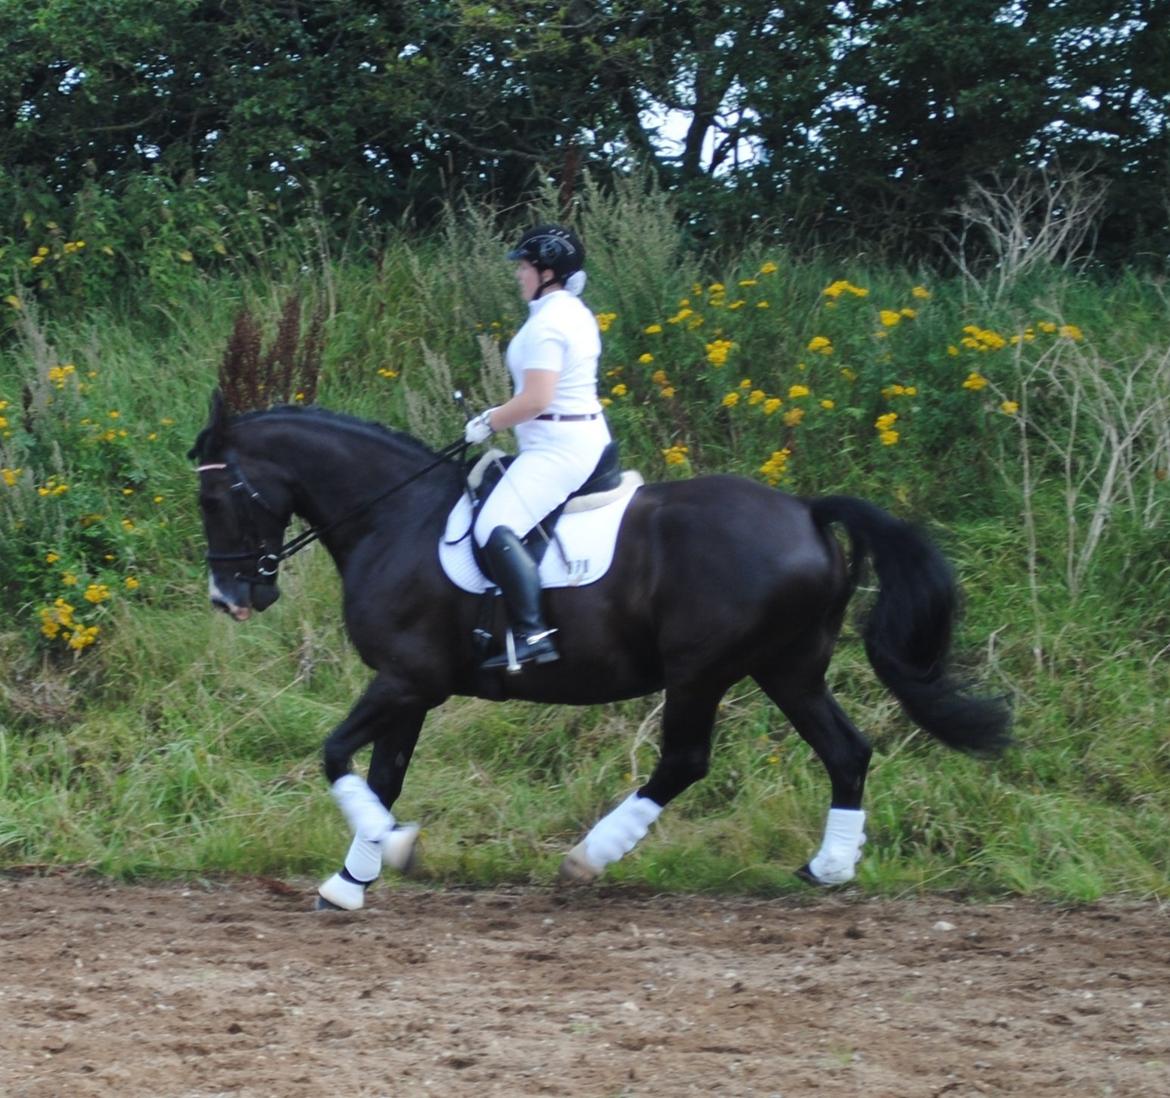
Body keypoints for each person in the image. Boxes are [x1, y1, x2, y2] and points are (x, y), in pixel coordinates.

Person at [464, 223, 612, 670]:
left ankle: (532, 634)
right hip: (576, 435)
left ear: (547, 272)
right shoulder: (573, 311)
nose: (519, 275)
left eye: (525, 267)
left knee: (492, 524)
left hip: (559, 448)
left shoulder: (549, 323)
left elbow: (536, 399)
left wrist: (488, 422)